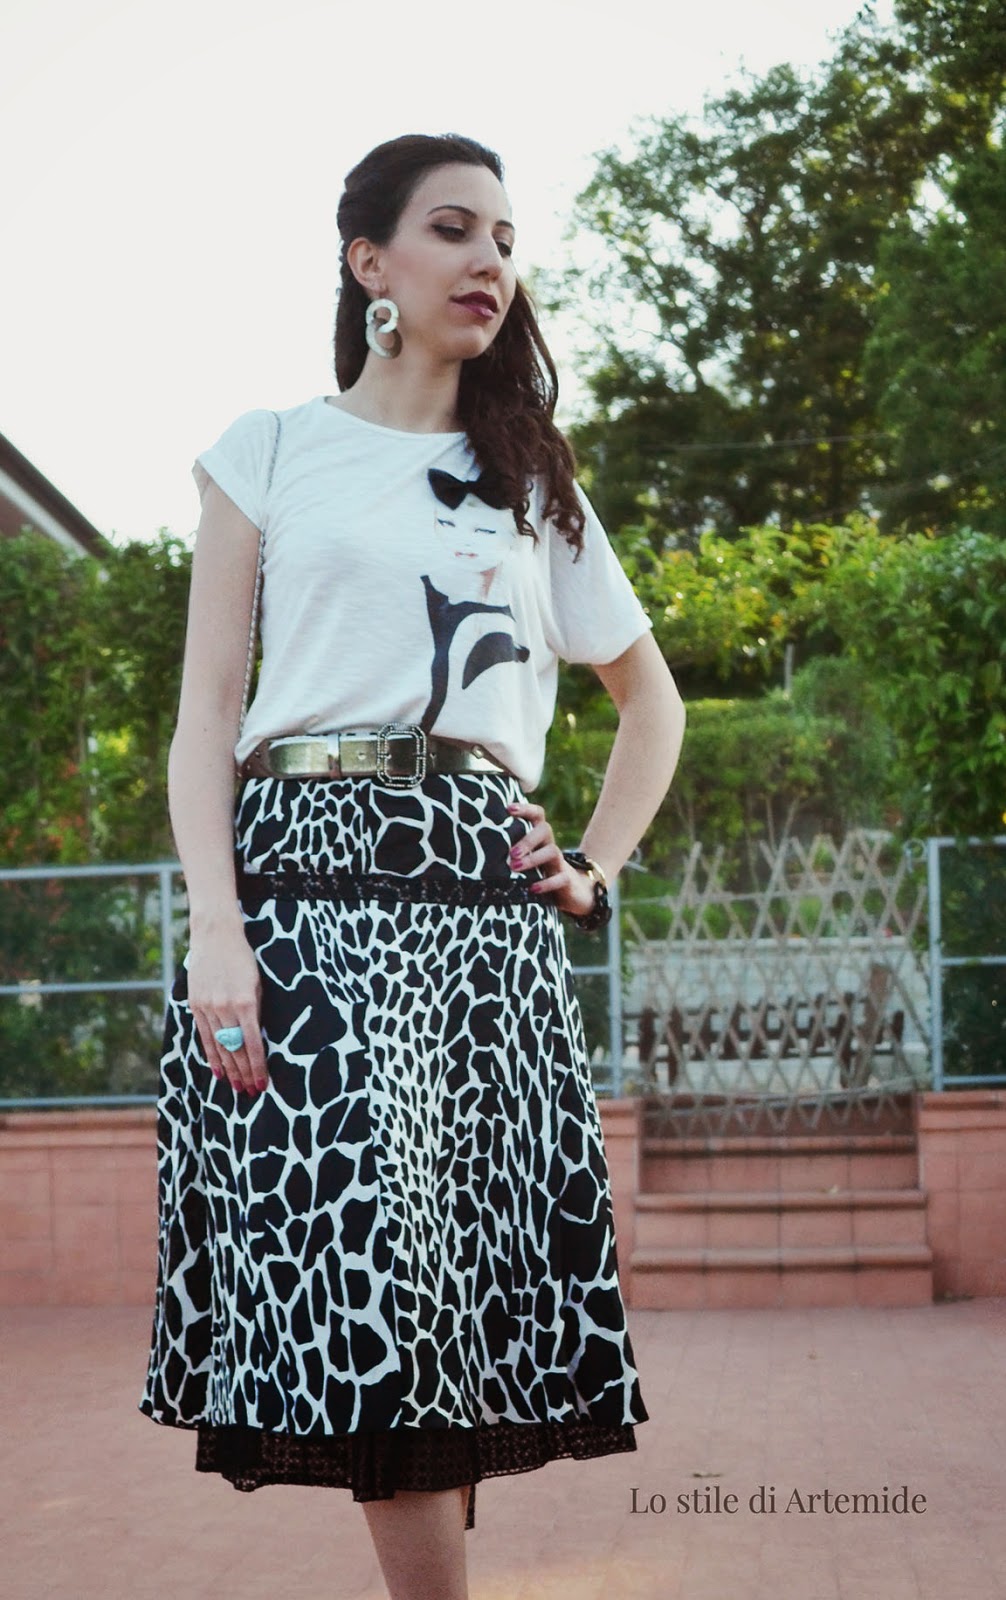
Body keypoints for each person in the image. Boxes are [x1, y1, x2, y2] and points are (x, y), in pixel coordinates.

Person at [139, 131, 686, 1600]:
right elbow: (204, 716)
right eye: (453, 229)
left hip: (478, 909)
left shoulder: (531, 479)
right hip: (301, 897)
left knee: (449, 1287)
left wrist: (594, 867)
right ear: (369, 261)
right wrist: (214, 926)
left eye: (505, 238)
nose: (489, 261)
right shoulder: (270, 448)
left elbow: (654, 705)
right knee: (371, 1271)